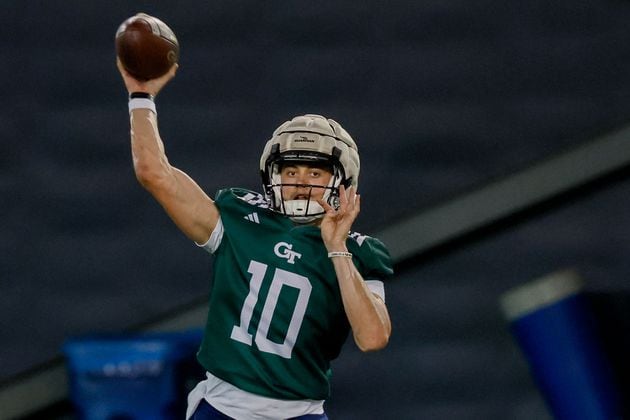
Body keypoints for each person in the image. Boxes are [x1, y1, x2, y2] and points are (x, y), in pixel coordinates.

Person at [117, 60, 393, 420]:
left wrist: (336, 249)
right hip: (222, 407)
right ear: (272, 174)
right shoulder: (242, 219)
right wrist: (141, 95)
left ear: (342, 183)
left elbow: (372, 338)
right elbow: (155, 174)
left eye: (315, 171)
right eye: (290, 170)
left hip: (301, 413)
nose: (300, 181)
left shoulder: (358, 250)